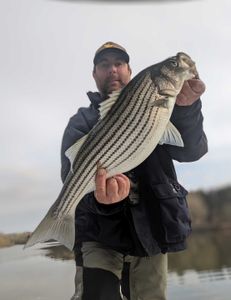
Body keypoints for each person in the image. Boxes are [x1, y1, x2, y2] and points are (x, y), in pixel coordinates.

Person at [61, 42, 208, 300]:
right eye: (104, 65)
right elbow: (70, 178)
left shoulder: (163, 105)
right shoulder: (80, 122)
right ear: (95, 74)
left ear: (130, 70)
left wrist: (187, 108)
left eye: (119, 64)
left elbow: (192, 151)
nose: (112, 70)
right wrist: (102, 202)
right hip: (98, 234)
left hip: (151, 229)